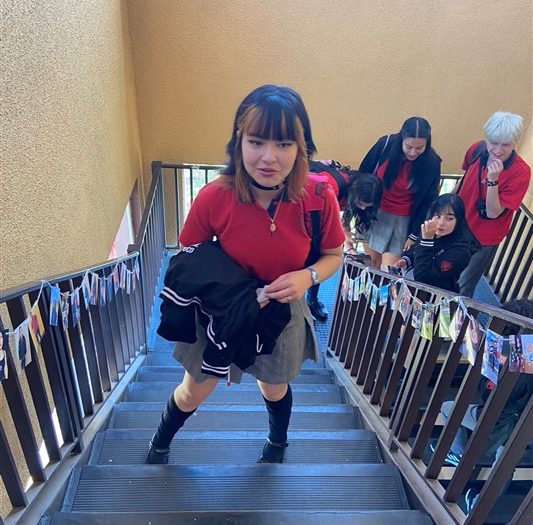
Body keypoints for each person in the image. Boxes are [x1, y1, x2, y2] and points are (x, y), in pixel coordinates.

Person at [146, 84, 345, 465]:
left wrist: (307, 277)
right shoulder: (214, 196)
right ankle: (160, 442)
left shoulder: (318, 197)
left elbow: (333, 255)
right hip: (221, 311)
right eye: (256, 141)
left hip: (280, 312)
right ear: (238, 140)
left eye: (284, 144)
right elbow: (190, 258)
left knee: (273, 386)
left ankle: (277, 443)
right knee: (193, 391)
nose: (269, 157)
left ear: (301, 147)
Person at [436, 300, 533, 513]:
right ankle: (480, 504)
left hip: (496, 420)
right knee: (504, 466)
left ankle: (459, 454)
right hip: (524, 429)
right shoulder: (527, 361)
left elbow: (489, 394)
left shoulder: (503, 361)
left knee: (447, 408)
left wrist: (482, 360)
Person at [455, 112, 531, 297]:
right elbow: (463, 180)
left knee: (463, 285)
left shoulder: (521, 171)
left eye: (506, 145)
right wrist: (445, 209)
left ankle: (459, 314)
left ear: (515, 143)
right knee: (443, 273)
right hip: (457, 225)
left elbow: (493, 212)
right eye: (493, 143)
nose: (497, 150)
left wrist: (493, 180)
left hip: (483, 237)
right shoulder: (476, 149)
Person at [359, 117, 442, 269]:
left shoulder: (432, 163)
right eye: (409, 146)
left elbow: (428, 202)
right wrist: (361, 208)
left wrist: (414, 235)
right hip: (375, 213)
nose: (413, 152)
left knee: (390, 270)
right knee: (372, 263)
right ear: (401, 139)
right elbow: (363, 172)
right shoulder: (385, 145)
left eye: (419, 148)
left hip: (403, 220)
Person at [305, 160, 382, 321]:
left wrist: (348, 243)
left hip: (315, 219)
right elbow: (328, 218)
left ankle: (311, 298)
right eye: (361, 204)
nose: (362, 208)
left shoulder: (349, 189)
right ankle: (306, 300)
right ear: (355, 194)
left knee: (317, 258)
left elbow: (340, 217)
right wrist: (346, 244)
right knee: (316, 258)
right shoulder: (331, 187)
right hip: (303, 215)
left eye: (367, 206)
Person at [395, 193, 471, 293]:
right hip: (413, 291)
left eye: (449, 218)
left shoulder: (461, 251)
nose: (441, 223)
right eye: (438, 216)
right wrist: (407, 259)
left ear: (459, 220)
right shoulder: (432, 231)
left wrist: (427, 241)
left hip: (436, 296)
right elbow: (417, 248)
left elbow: (423, 279)